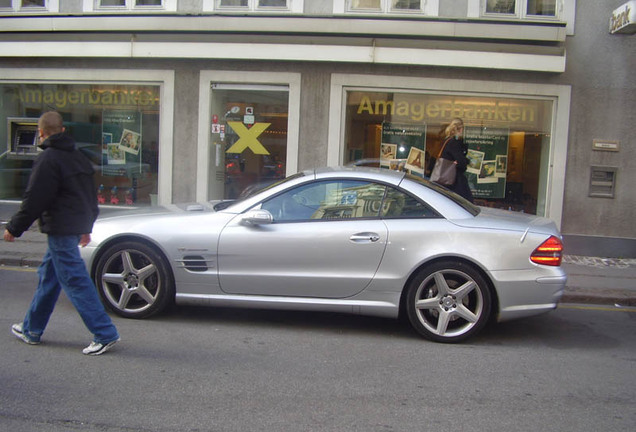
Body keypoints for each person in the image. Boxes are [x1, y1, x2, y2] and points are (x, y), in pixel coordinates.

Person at [4, 111, 120, 356]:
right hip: (72, 227)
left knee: (75, 280)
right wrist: (86, 228)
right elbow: (90, 196)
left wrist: (14, 228)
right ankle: (31, 329)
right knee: (49, 277)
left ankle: (104, 333)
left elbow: (34, 199)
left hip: (59, 228)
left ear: (41, 132)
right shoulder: (78, 157)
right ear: (64, 130)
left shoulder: (48, 159)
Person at [440, 118, 474, 202]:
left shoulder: (447, 141)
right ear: (461, 129)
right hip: (454, 180)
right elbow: (461, 163)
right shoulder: (454, 143)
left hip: (446, 178)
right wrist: (466, 161)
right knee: (463, 202)